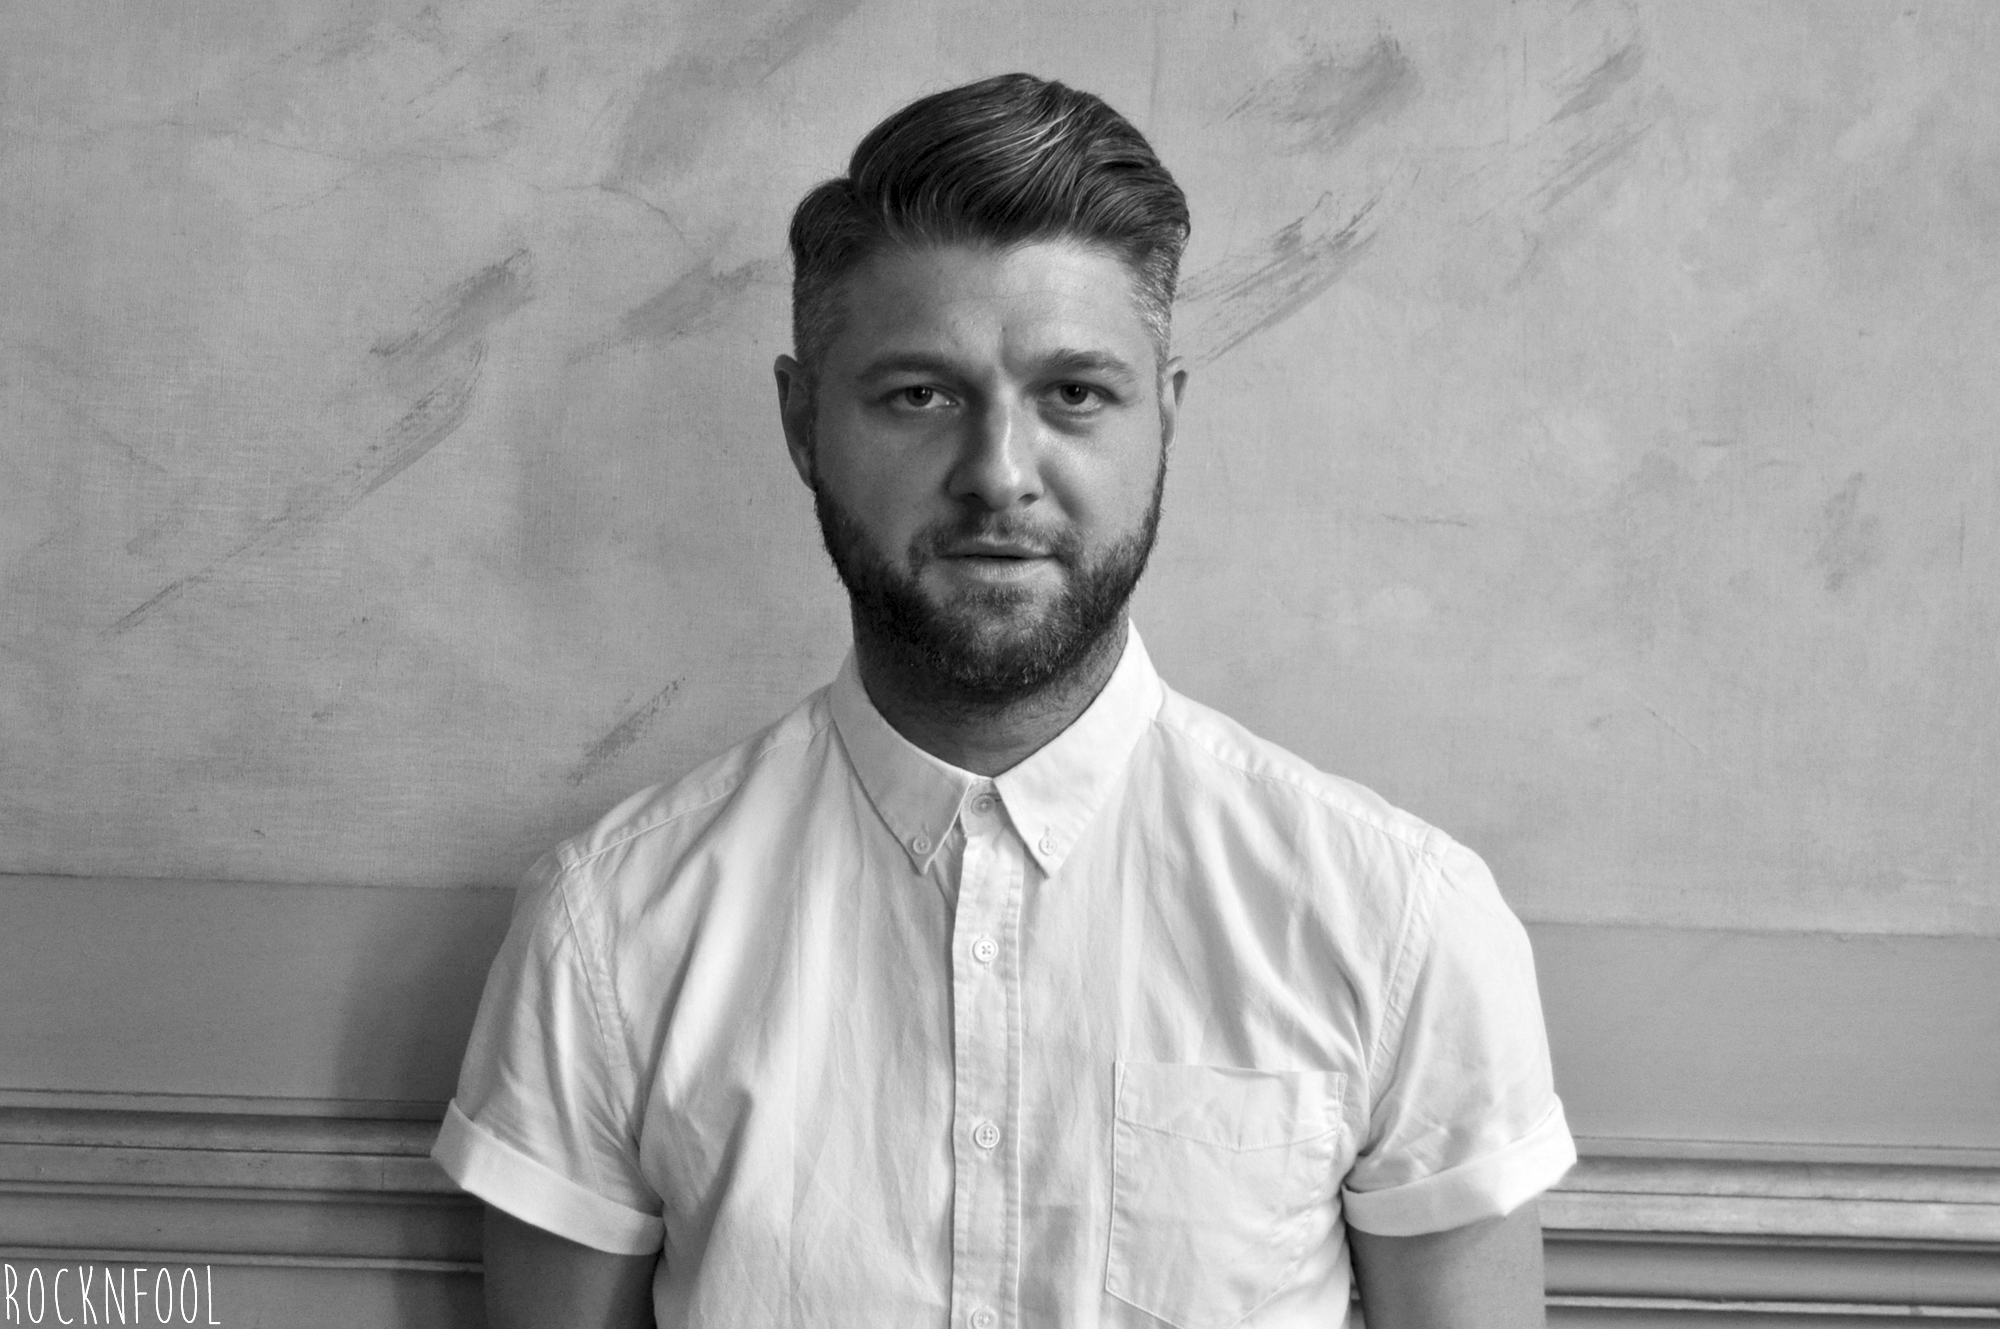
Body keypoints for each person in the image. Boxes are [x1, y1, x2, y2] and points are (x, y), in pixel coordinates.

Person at [433, 72, 1576, 1329]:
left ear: (1163, 421)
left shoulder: (1398, 919)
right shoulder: (608, 929)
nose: (997, 473)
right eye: (919, 395)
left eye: (1074, 393)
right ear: (803, 423)